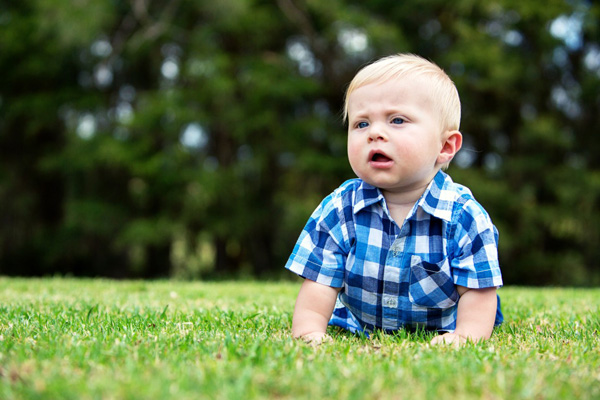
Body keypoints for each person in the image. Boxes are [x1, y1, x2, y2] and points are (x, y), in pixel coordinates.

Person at [285, 53, 503, 345]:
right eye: (361, 124)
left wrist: (464, 336)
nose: (375, 133)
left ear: (445, 146)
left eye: (397, 120)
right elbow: (319, 283)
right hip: (357, 325)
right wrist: (310, 331)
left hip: (441, 327)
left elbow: (479, 292)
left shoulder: (464, 216)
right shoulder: (340, 209)